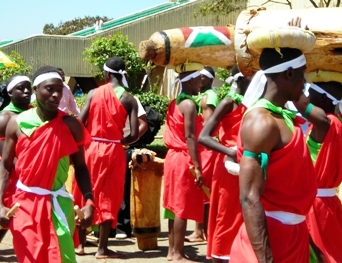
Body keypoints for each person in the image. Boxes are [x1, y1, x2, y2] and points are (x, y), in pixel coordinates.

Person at [229, 47, 317, 263]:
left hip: (291, 237)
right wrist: (266, 258)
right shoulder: (262, 122)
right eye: (302, 73)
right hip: (271, 241)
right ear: (289, 73)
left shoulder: (281, 117)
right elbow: (249, 198)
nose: (304, 81)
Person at [0, 66, 94, 263]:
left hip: (59, 203)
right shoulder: (16, 123)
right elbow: (7, 166)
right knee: (30, 257)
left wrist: (89, 201)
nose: (56, 95)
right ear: (36, 89)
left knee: (62, 257)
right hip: (24, 204)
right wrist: (0, 203)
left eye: (60, 90)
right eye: (50, 89)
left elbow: (81, 167)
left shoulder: (71, 125)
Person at [73, 56, 139, 259]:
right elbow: (135, 133)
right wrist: (120, 140)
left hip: (91, 148)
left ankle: (81, 245)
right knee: (109, 196)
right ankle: (102, 249)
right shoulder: (129, 98)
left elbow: (80, 122)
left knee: (86, 192)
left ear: (107, 74)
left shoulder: (93, 93)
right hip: (114, 151)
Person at [198, 64, 251, 263]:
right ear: (242, 79)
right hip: (229, 168)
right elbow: (204, 136)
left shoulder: (253, 103)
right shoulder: (228, 102)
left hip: (246, 165)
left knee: (242, 215)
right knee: (227, 217)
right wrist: (232, 152)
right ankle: (220, 257)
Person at [293, 81, 342, 262]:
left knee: (324, 255)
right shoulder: (328, 123)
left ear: (322, 97)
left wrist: (286, 78)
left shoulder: (327, 122)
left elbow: (301, 102)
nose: (307, 95)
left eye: (310, 91)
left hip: (317, 205)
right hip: (324, 202)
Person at [163, 66, 204, 263]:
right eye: (199, 80)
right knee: (181, 206)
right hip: (182, 159)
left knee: (174, 206)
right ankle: (177, 253)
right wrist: (197, 165)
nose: (201, 84)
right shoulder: (189, 105)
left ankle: (173, 250)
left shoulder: (174, 103)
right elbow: (189, 136)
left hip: (172, 157)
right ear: (190, 82)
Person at [186, 66, 219, 242]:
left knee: (203, 187)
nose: (199, 79)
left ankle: (200, 231)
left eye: (202, 77)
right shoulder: (201, 96)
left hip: (206, 147)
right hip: (203, 146)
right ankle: (201, 230)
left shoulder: (209, 96)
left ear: (210, 80)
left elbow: (208, 122)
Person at [0, 74, 32, 243]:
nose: (27, 91)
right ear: (10, 93)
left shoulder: (33, 113)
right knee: (6, 215)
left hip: (24, 175)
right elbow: (5, 156)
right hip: (9, 175)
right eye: (21, 88)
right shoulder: (5, 118)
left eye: (29, 87)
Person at [116, 95, 148, 239]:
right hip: (105, 147)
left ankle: (122, 226)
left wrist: (127, 141)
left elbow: (143, 124)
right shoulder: (100, 95)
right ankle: (104, 226)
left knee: (123, 188)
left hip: (123, 147)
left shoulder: (130, 99)